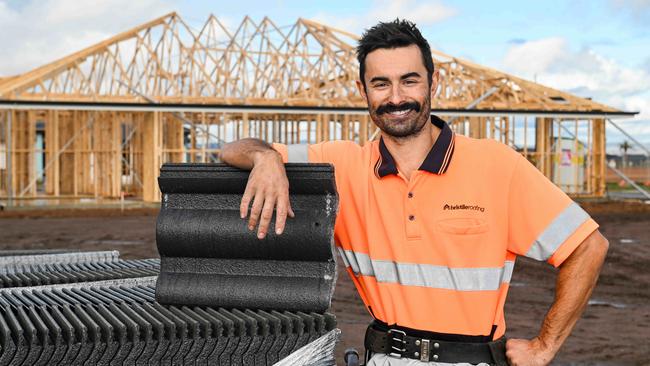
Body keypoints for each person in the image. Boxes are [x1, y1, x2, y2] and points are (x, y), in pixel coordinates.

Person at [220, 19, 608, 366]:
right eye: (381, 83)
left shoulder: (496, 165)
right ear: (363, 90)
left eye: (409, 80)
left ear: (433, 82)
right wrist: (266, 157)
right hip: (384, 357)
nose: (396, 98)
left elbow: (587, 247)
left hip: (470, 360)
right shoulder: (340, 166)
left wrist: (544, 346)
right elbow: (229, 150)